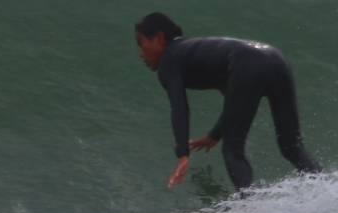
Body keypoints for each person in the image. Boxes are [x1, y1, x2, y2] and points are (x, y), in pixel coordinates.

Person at [134, 12, 323, 190]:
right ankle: (325, 191)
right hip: (276, 58)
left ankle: (250, 205)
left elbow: (179, 108)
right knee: (292, 146)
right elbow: (235, 103)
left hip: (248, 62)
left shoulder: (170, 60)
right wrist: (215, 135)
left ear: (159, 38)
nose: (141, 53)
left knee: (233, 147)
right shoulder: (196, 53)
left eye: (141, 43)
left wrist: (182, 153)